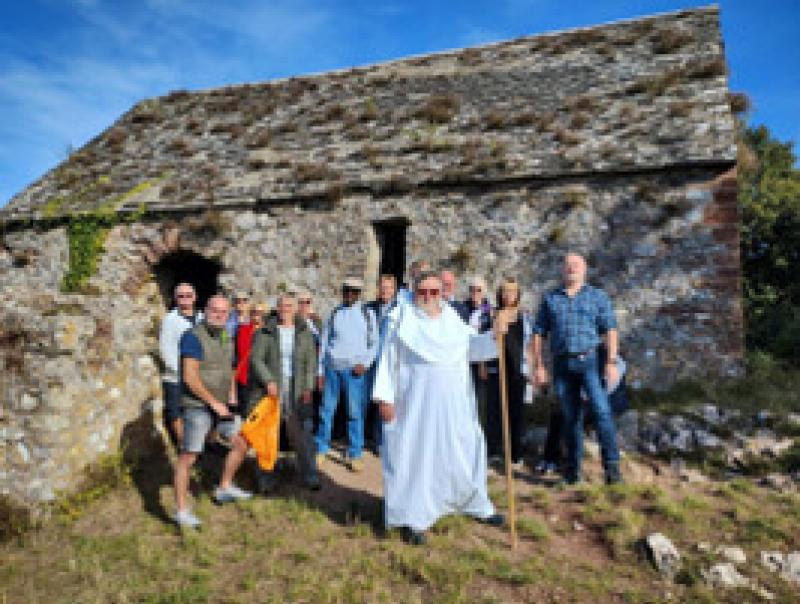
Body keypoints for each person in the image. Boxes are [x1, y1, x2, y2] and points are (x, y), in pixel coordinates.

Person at [373, 270, 505, 545]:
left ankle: (473, 503)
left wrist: (495, 335)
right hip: (416, 407)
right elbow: (387, 360)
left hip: (454, 406)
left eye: (434, 292)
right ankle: (412, 517)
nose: (429, 297)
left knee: (463, 450)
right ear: (414, 292)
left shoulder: (452, 319)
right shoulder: (401, 320)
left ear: (441, 293)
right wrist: (384, 397)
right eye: (423, 292)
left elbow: (473, 347)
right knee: (416, 458)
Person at [530, 253, 622, 485]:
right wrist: (539, 366)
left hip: (590, 362)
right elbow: (538, 333)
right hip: (562, 365)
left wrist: (611, 362)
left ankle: (613, 472)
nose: (572, 268)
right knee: (571, 419)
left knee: (602, 412)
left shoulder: (597, 296)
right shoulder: (551, 299)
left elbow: (610, 329)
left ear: (584, 269)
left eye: (576, 265)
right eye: (568, 265)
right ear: (562, 270)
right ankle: (572, 474)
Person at [173, 295, 253, 529]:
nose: (218, 314)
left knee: (241, 443)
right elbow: (189, 377)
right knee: (189, 456)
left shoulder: (225, 335)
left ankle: (224, 487)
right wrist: (213, 403)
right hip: (197, 405)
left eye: (223, 311)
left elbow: (228, 369)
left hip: (222, 404)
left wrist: (232, 397)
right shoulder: (192, 337)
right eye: (214, 310)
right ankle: (181, 512)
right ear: (205, 310)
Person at [249, 294, 320, 492]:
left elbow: (310, 363)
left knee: (303, 431)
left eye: (289, 306)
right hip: (271, 389)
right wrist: (268, 380)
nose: (285, 309)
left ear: (295, 308)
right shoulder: (265, 331)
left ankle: (310, 475)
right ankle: (265, 477)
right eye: (281, 306)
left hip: (297, 388)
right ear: (277, 308)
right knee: (268, 433)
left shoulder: (304, 332)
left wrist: (308, 387)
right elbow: (256, 360)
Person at [315, 278, 378, 472]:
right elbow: (324, 343)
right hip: (332, 369)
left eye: (353, 291)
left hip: (354, 372)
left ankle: (355, 453)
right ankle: (321, 448)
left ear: (359, 293)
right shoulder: (334, 313)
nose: (349, 294)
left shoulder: (368, 314)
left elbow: (374, 344)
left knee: (354, 413)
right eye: (346, 291)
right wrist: (320, 371)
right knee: (326, 411)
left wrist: (365, 364)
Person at [485, 278, 533, 471]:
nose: (508, 296)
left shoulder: (524, 317)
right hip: (497, 368)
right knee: (494, 411)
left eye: (512, 292)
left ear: (517, 295)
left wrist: (530, 367)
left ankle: (515, 454)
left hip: (517, 370)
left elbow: (529, 343)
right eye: (505, 292)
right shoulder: (493, 314)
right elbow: (486, 339)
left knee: (516, 412)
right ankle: (495, 452)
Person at [159, 282, 203, 447]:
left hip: (199, 374)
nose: (185, 299)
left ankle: (201, 444)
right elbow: (165, 348)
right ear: (175, 298)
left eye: (188, 295)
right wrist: (181, 370)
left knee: (198, 409)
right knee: (175, 410)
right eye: (181, 296)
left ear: (195, 297)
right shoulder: (170, 320)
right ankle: (184, 445)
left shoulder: (202, 318)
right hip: (175, 376)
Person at [364, 274, 399, 451]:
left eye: (388, 288)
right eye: (382, 287)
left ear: (394, 290)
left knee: (385, 400)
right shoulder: (368, 308)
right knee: (367, 400)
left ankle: (382, 441)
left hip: (388, 362)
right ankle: (369, 437)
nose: (385, 291)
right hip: (369, 361)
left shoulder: (400, 309)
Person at [456, 275, 493, 428]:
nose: (475, 293)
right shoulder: (462, 309)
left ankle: (480, 428)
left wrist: (482, 364)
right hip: (463, 358)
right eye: (472, 289)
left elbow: (487, 338)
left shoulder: (489, 311)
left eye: (478, 290)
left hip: (481, 360)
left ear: (484, 292)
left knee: (480, 397)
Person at [234, 302, 266, 416]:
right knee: (245, 412)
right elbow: (241, 352)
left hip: (263, 378)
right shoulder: (243, 329)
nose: (257, 315)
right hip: (245, 376)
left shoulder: (270, 332)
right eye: (254, 312)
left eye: (260, 312)